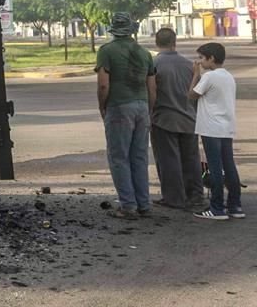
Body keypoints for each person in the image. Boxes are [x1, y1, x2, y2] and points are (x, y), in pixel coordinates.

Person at [95, 12, 156, 220]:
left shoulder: (106, 51)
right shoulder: (144, 53)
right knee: (139, 157)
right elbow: (152, 87)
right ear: (132, 29)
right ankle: (144, 204)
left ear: (112, 29)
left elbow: (104, 84)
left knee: (119, 157)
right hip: (142, 106)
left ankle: (128, 206)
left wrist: (102, 107)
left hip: (120, 106)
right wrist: (149, 109)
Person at [150, 28, 205, 210]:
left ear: (156, 43)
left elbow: (150, 92)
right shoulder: (189, 65)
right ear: (175, 42)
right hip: (189, 118)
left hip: (164, 119)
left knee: (168, 160)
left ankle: (174, 198)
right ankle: (195, 196)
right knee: (191, 159)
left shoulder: (153, 64)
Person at [190, 42, 244, 220]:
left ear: (211, 58)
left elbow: (191, 96)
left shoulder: (209, 77)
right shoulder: (228, 76)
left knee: (214, 167)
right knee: (229, 167)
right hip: (226, 127)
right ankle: (235, 206)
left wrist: (196, 75)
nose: (200, 62)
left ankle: (217, 208)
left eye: (201, 58)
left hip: (211, 128)